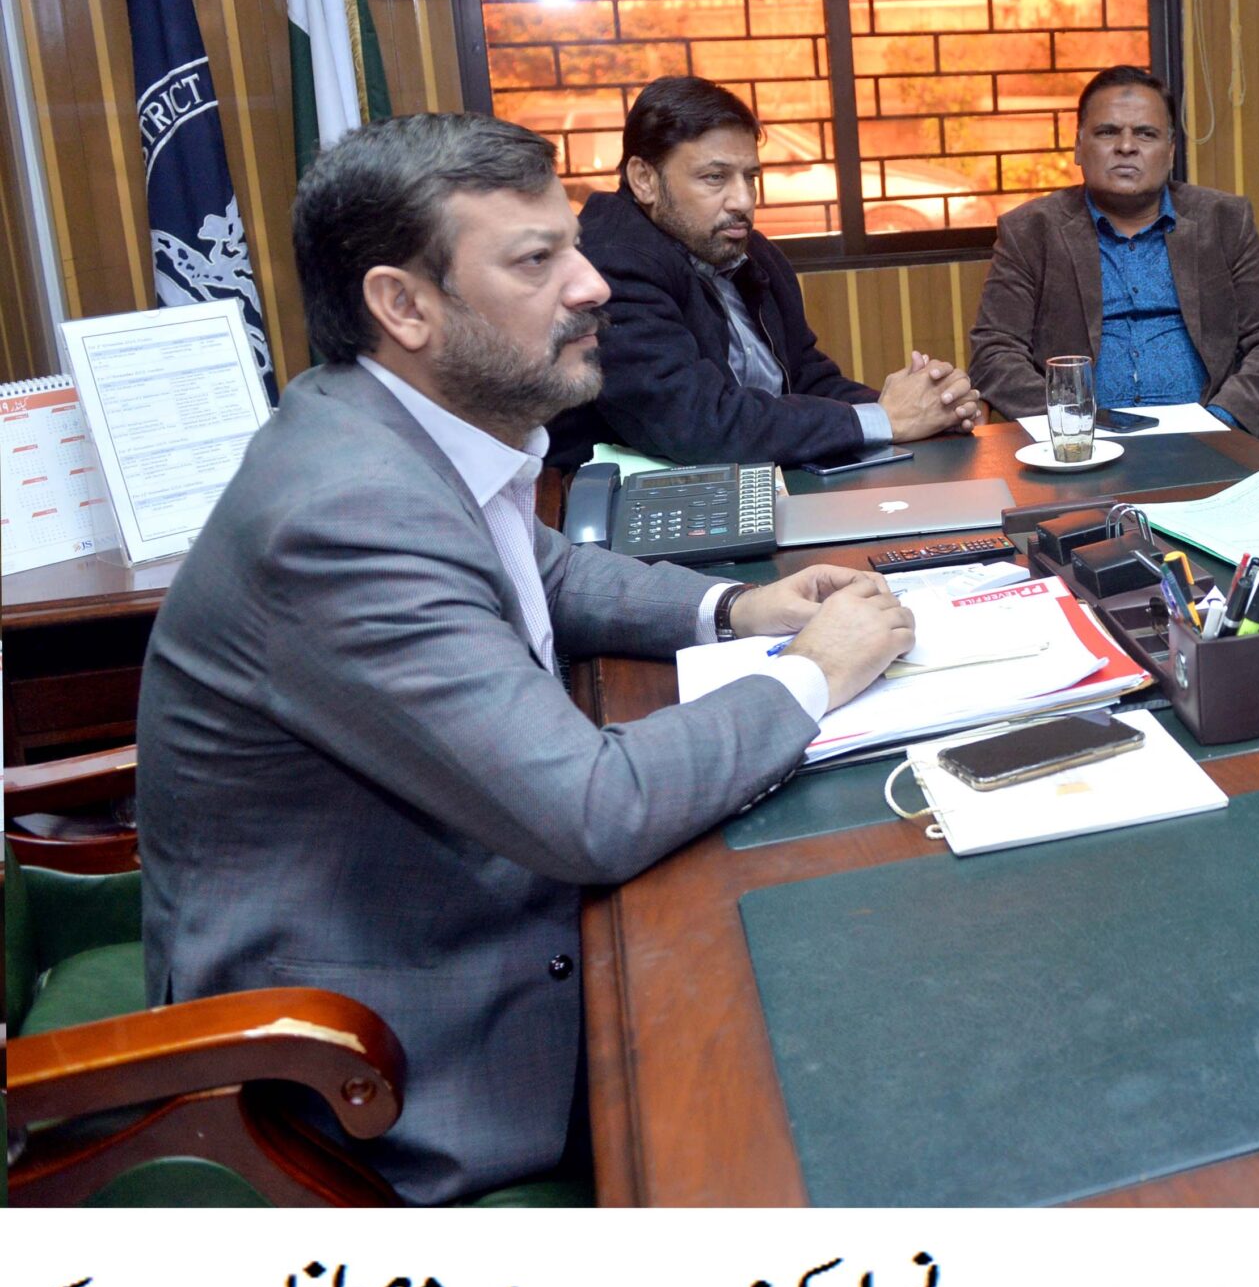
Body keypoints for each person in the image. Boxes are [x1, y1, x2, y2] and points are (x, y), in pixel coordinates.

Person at [138, 113, 918, 1204]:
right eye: (537, 260)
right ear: (403, 306)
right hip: (388, 1063)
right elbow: (589, 810)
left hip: (461, 924)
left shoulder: (381, 419)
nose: (593, 286)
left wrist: (737, 605)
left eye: (575, 248)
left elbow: (540, 568)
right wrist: (812, 672)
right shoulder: (345, 513)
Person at [549, 75, 981, 470]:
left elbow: (805, 378)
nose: (743, 200)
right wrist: (884, 419)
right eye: (714, 177)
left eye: (750, 177)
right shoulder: (611, 265)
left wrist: (925, 407)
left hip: (758, 482)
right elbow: (698, 423)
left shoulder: (753, 253)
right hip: (652, 507)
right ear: (644, 179)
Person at [968, 66, 1259, 444]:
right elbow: (994, 353)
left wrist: (1222, 421)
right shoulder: (1030, 230)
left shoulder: (1224, 220)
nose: (1126, 146)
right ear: (1078, 146)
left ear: (1170, 151)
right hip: (1079, 444)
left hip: (1213, 438)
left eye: (1146, 133)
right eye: (1107, 132)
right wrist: (1074, 422)